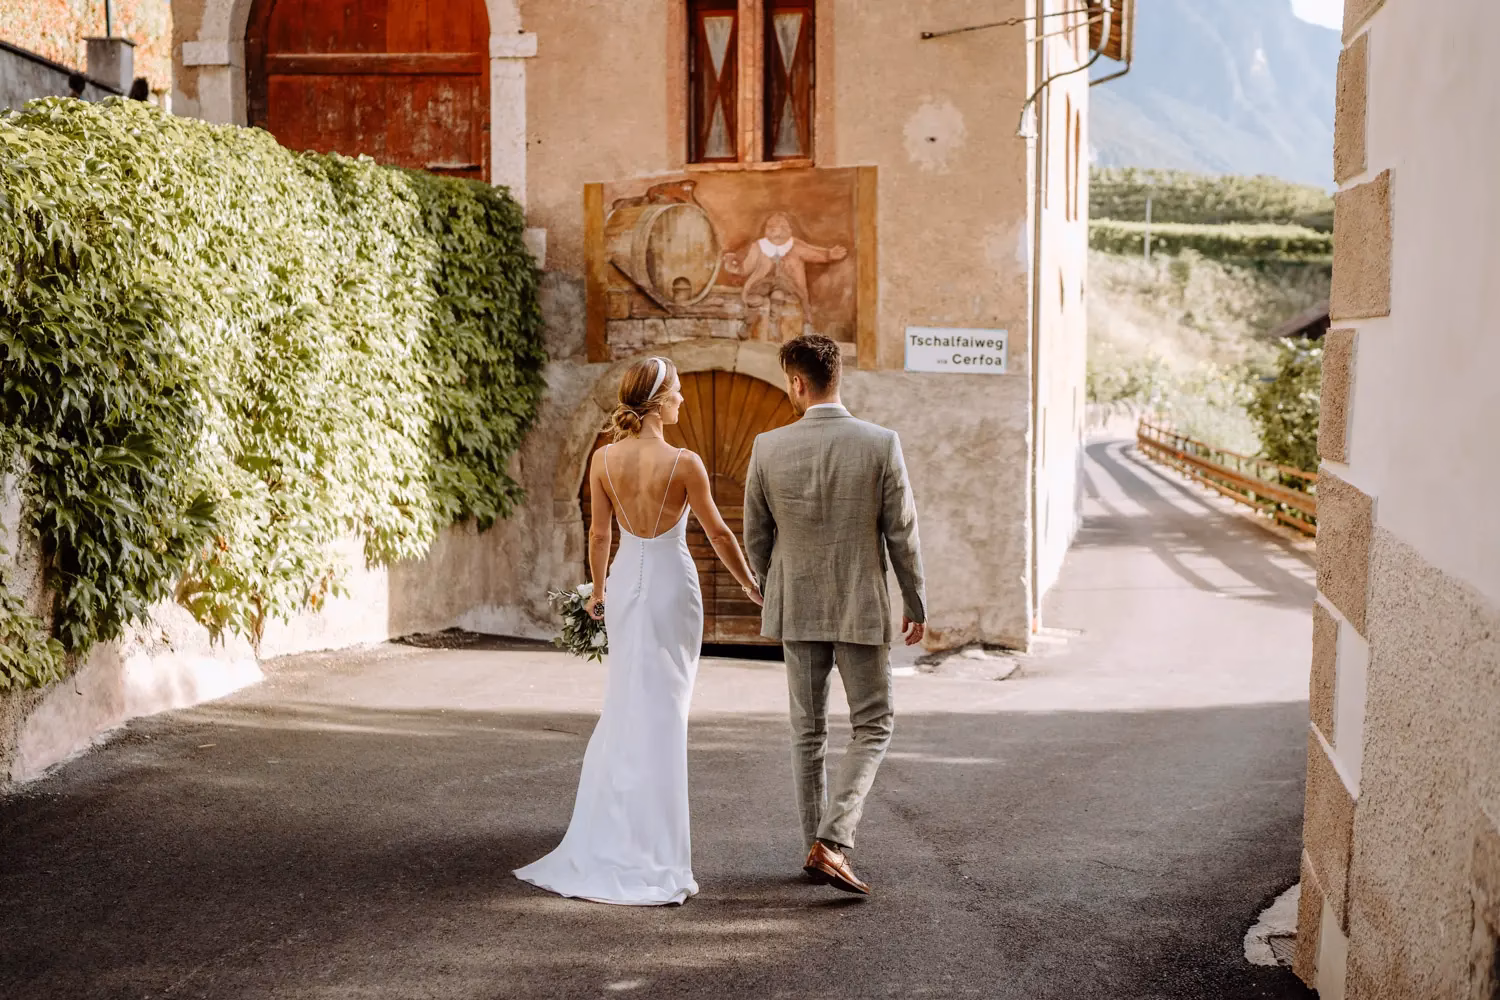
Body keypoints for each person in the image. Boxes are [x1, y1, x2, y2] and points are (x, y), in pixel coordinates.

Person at [514, 357, 762, 906]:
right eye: (676, 393)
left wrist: (599, 592)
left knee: (626, 700)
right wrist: (749, 584)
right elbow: (718, 533)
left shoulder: (604, 460)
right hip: (674, 584)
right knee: (667, 708)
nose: (683, 401)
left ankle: (614, 831)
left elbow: (599, 534)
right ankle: (657, 848)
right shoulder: (685, 463)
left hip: (627, 581)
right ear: (658, 401)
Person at [743, 334, 927, 896]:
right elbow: (903, 533)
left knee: (809, 732)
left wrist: (772, 585)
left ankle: (816, 846)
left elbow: (757, 536)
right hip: (860, 605)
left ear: (797, 383)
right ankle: (833, 840)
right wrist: (915, 601)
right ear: (835, 376)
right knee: (874, 724)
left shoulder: (766, 447)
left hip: (797, 606)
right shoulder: (880, 444)